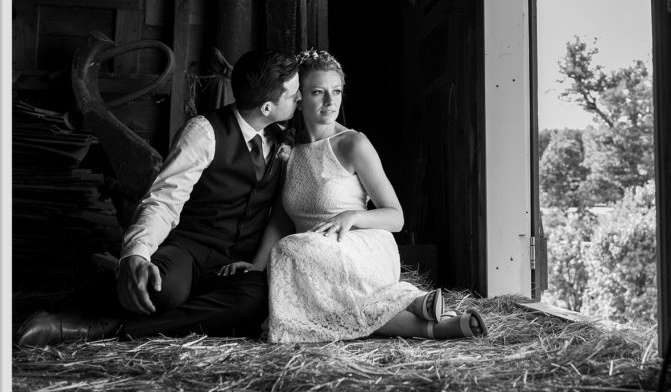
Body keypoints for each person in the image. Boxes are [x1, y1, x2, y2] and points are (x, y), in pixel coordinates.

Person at [16, 50, 302, 346]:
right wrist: (136, 255)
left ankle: (106, 326)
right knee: (159, 289)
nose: (299, 99)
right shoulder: (204, 133)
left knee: (257, 301)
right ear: (267, 107)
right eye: (293, 94)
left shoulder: (283, 140)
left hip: (233, 265)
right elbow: (163, 199)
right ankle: (108, 288)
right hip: (189, 248)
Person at [218, 49, 487, 342]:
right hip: (313, 260)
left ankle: (410, 302)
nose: (331, 101)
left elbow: (396, 217)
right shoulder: (288, 149)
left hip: (361, 247)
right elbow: (282, 219)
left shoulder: (352, 144)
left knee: (289, 250)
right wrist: (257, 266)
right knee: (293, 253)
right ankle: (430, 322)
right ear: (298, 97)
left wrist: (353, 216)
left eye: (336, 91)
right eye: (318, 92)